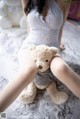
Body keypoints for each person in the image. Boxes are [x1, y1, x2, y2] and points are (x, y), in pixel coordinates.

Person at [0, 0, 80, 112]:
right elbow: (29, 27)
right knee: (30, 70)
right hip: (30, 47)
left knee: (61, 68)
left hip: (51, 50)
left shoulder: (64, 1)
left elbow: (60, 28)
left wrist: (58, 43)